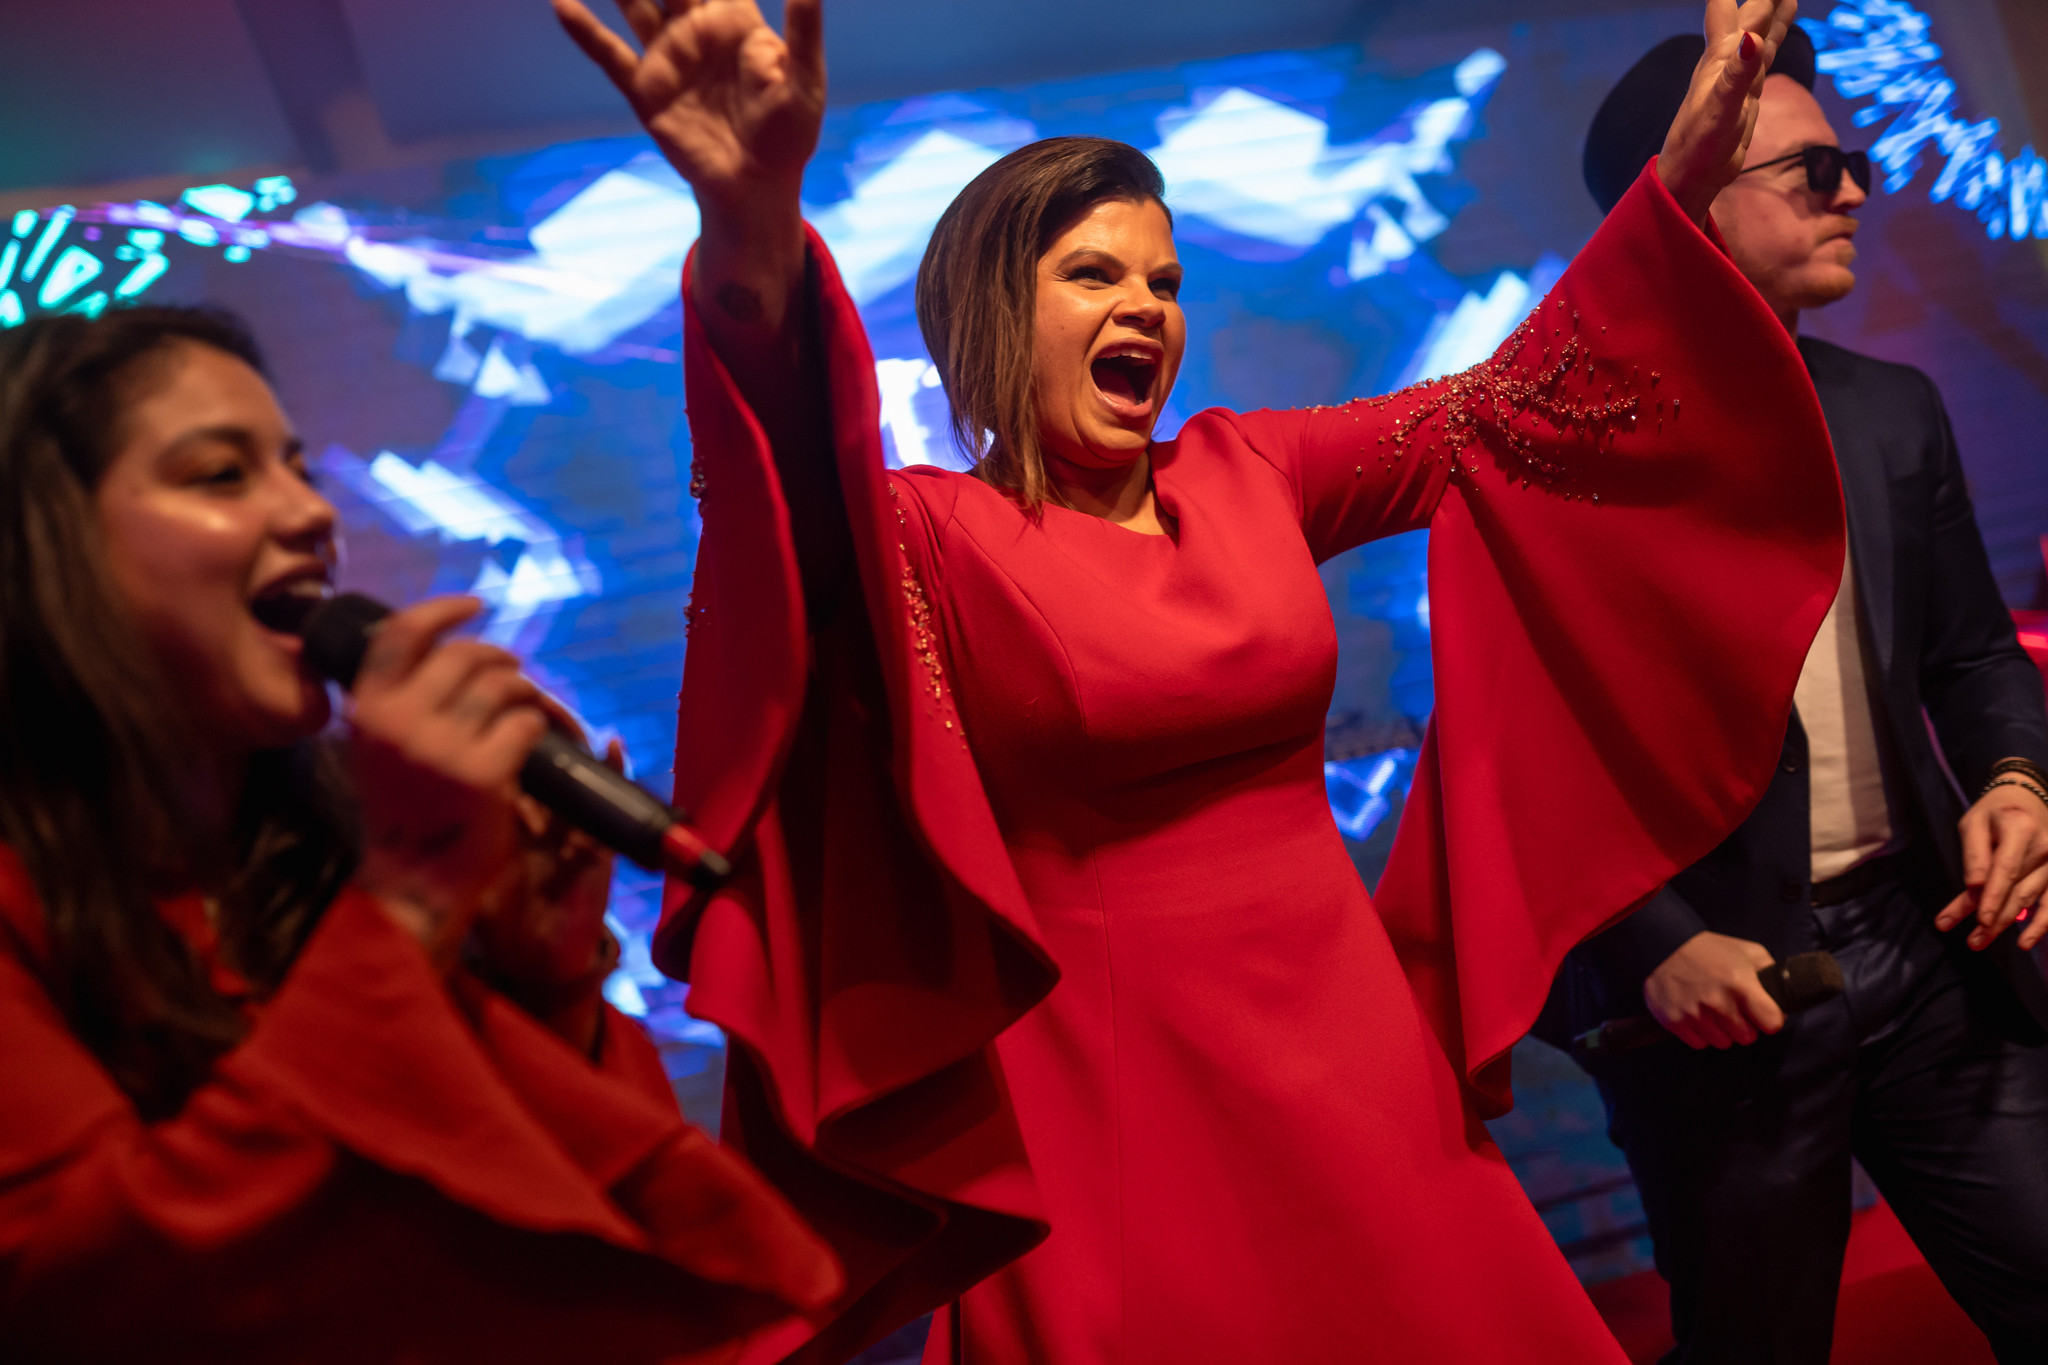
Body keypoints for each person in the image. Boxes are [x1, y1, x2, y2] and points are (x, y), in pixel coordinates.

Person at [557, 0, 1841, 1360]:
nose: (1145, 309)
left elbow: (1522, 401)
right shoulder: (926, 533)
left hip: (1355, 1056)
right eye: (1094, 275)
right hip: (1107, 1097)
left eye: (1164, 284)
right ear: (995, 308)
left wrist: (1677, 182)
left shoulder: (1252, 470)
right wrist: (748, 223)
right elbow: (779, 482)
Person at [0, 305, 841, 1363]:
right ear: (45, 546)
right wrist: (408, 900)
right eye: (221, 475)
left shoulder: (323, 850)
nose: (310, 511)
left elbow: (571, 1252)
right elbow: (95, 1299)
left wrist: (544, 978)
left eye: (298, 469)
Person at [1541, 24, 2048, 1363]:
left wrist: (2016, 782)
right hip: (1724, 1000)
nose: (1856, 192)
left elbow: (1971, 657)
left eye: (1852, 162)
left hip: (1928, 945)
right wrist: (1653, 945)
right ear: (1687, 201)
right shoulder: (1562, 457)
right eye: (1813, 171)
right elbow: (1524, 750)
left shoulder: (1891, 411)